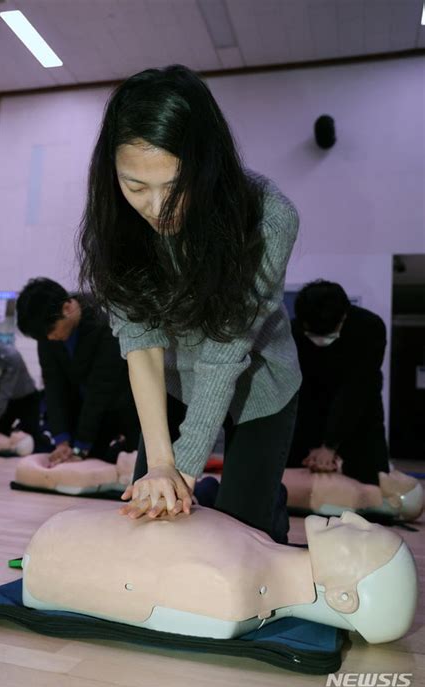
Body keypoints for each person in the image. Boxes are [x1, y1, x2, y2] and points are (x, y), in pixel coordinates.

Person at [77, 64, 301, 543]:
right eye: (136, 186)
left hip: (260, 382)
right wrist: (161, 464)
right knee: (153, 515)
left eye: (174, 187)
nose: (156, 208)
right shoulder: (116, 223)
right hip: (174, 382)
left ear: (207, 164)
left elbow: (225, 352)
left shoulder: (268, 218)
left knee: (245, 534)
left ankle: (263, 506)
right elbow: (140, 342)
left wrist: (185, 470)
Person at [16, 278, 140, 466]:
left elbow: (101, 387)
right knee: (78, 463)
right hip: (83, 408)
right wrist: (61, 439)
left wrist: (81, 446)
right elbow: (53, 385)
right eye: (44, 336)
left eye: (51, 331)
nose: (50, 338)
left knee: (133, 465)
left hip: (123, 402)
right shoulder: (47, 333)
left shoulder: (106, 320)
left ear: (67, 308)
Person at [287, 280, 389, 485]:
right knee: (291, 480)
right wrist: (312, 446)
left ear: (344, 315)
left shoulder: (369, 327)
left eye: (328, 333)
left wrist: (330, 445)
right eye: (313, 334)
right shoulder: (294, 331)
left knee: (373, 482)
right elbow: (301, 390)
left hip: (360, 413)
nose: (321, 340)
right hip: (309, 411)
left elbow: (357, 388)